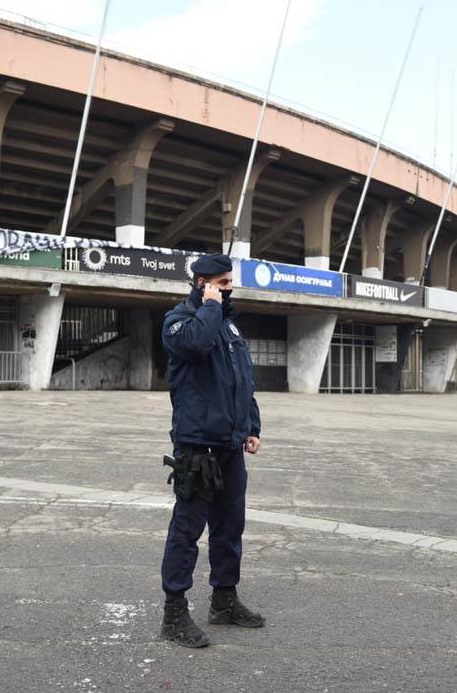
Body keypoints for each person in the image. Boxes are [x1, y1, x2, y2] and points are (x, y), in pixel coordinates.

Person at [159, 252, 264, 648]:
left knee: (229, 526)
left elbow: (242, 381)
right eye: (221, 283)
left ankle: (224, 600)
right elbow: (196, 346)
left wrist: (250, 426)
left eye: (228, 281)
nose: (229, 287)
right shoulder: (180, 322)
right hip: (197, 445)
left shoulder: (230, 328)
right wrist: (209, 306)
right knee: (187, 530)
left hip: (229, 444)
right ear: (201, 284)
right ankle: (174, 613)